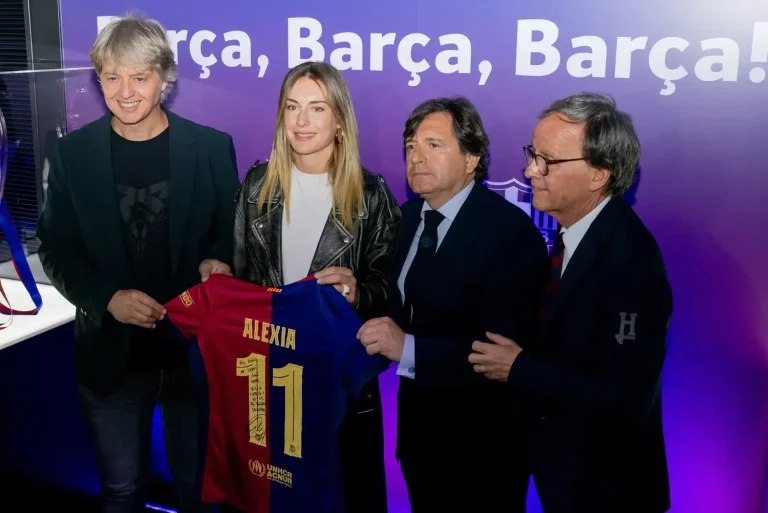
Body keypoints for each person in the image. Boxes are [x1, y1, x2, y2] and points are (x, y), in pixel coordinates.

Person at [36, 14, 240, 513]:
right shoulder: (72, 155)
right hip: (113, 359)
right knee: (122, 492)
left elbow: (232, 232)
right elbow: (55, 249)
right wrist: (107, 299)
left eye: (139, 77)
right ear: (99, 78)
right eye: (112, 77)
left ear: (164, 78)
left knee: (200, 493)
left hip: (194, 354)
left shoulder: (211, 147)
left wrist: (220, 261)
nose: (125, 92)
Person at [469, 92, 672, 513]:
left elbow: (624, 398)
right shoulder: (576, 237)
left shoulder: (630, 260)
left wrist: (519, 367)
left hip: (608, 489)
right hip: (567, 476)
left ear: (598, 174)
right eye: (532, 154)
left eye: (547, 161)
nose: (530, 171)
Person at [357, 96, 548, 512]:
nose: (416, 157)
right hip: (419, 440)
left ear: (471, 159)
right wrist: (356, 293)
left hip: (483, 451)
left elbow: (502, 353)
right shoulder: (408, 217)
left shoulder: (509, 233)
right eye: (410, 146)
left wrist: (408, 349)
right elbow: (400, 308)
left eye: (433, 144)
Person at [225, 61, 400, 513]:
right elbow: (240, 283)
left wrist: (360, 292)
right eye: (292, 107)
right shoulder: (256, 186)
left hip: (337, 389)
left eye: (317, 108)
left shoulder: (370, 194)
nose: (302, 121)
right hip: (266, 384)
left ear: (340, 119)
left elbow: (393, 292)